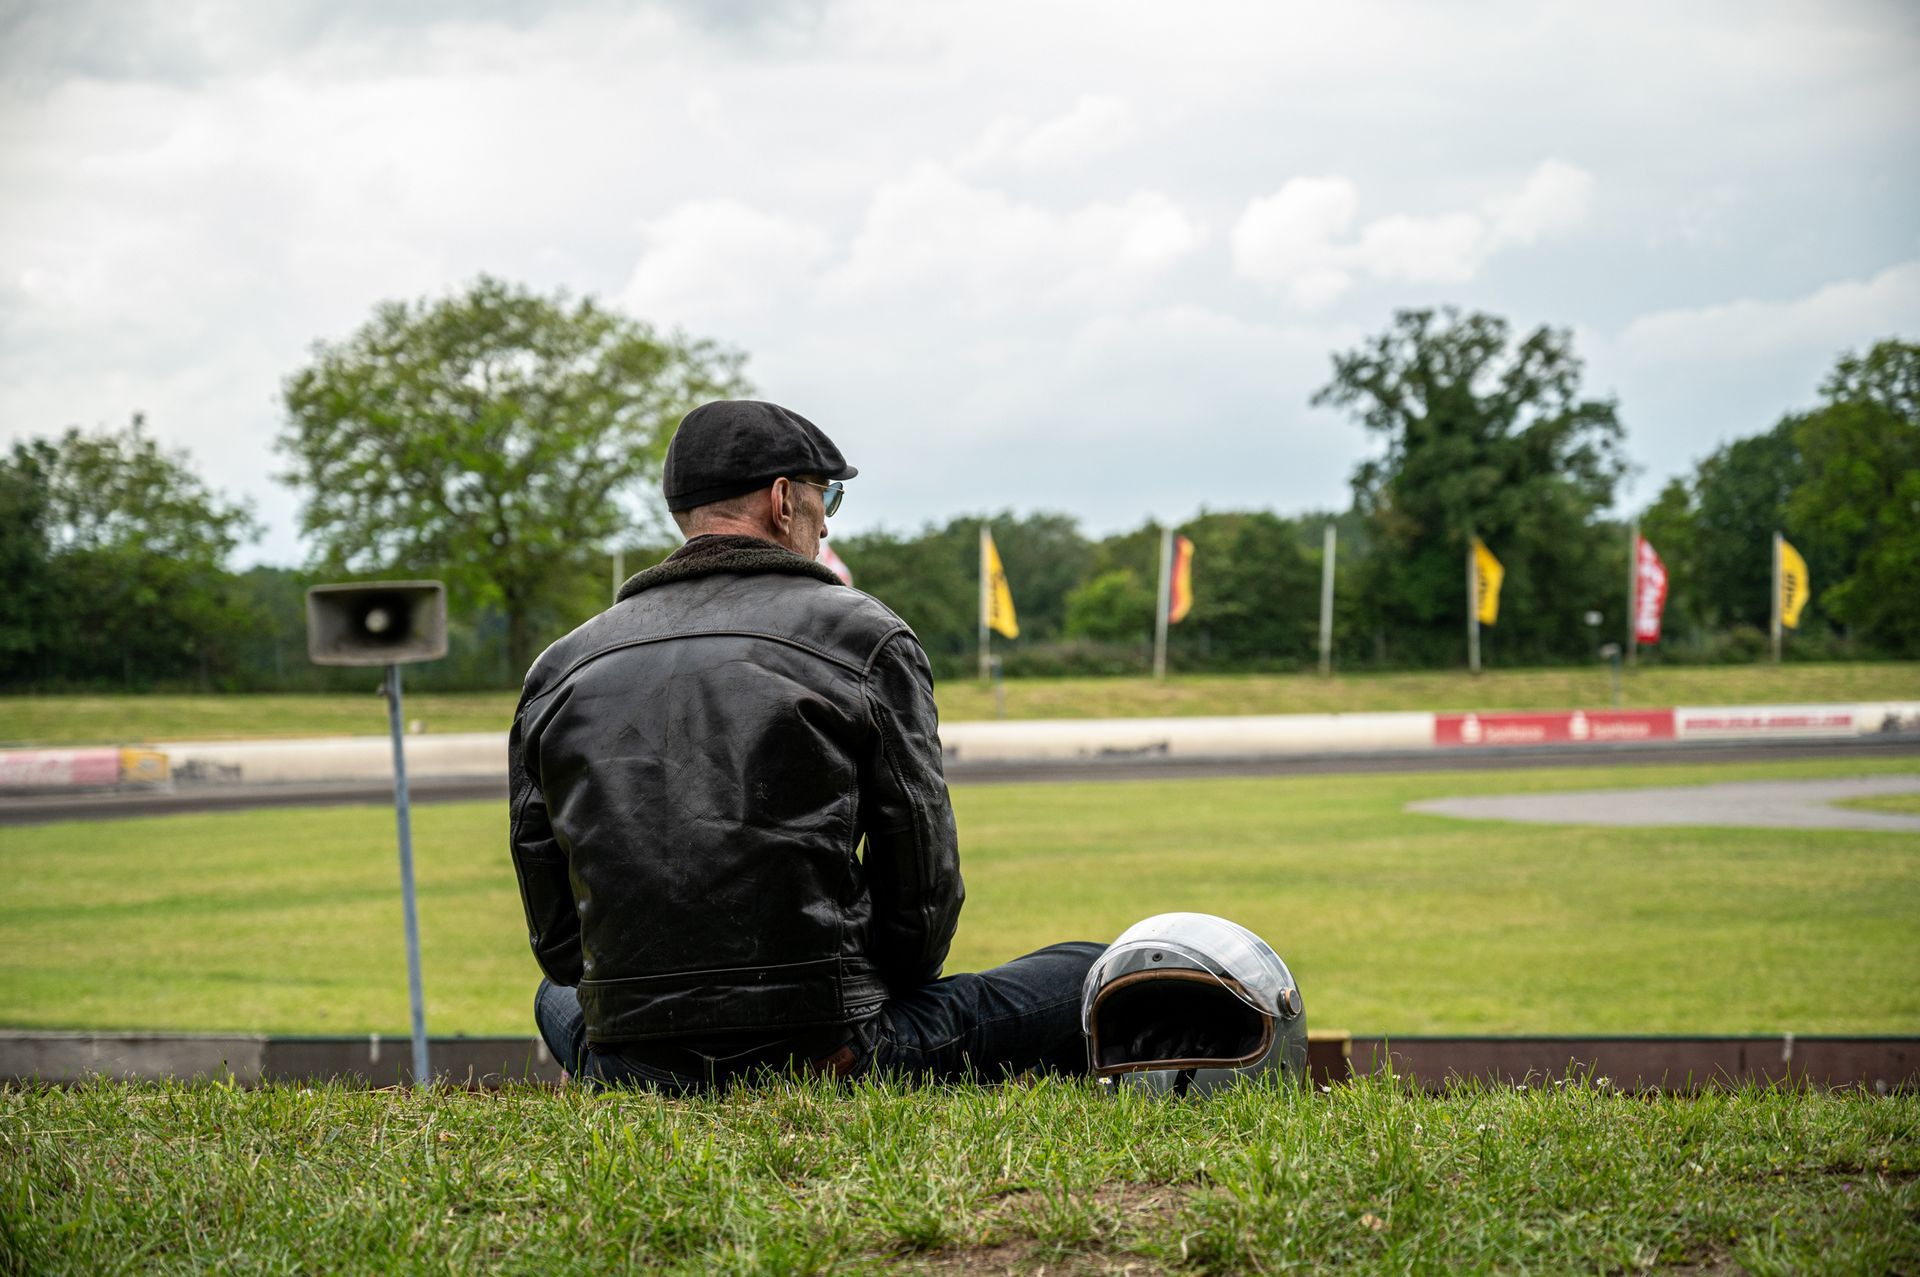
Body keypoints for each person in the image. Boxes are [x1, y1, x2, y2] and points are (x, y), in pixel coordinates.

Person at [512, 399, 1101, 1092]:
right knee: (1090, 970)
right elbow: (922, 895)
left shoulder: (558, 667)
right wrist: (855, 1004)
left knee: (552, 1001)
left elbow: (557, 945)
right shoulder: (865, 635)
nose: (826, 523)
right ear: (783, 499)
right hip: (828, 1048)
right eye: (828, 498)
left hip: (632, 1056)